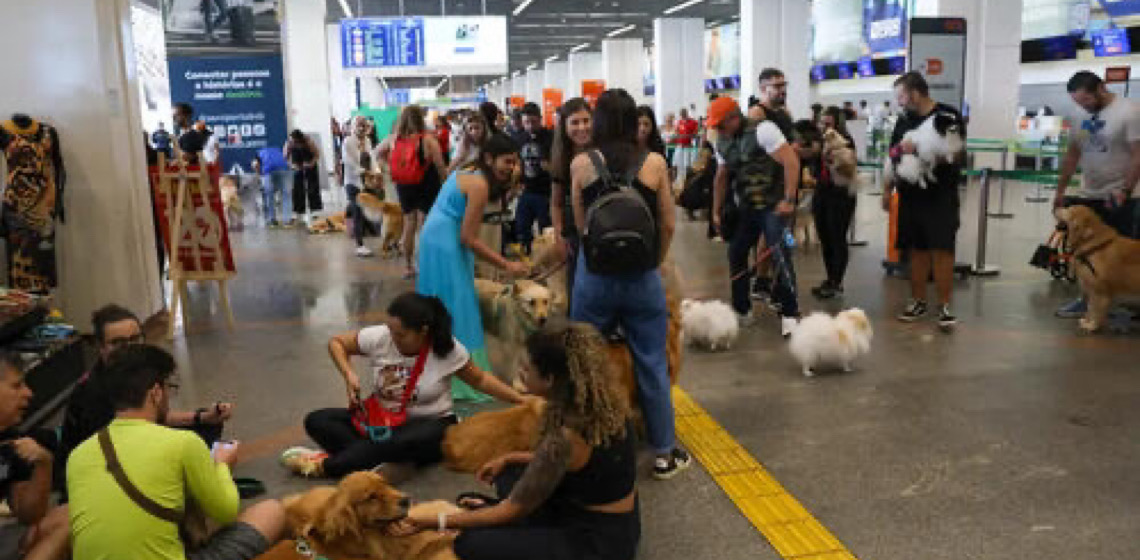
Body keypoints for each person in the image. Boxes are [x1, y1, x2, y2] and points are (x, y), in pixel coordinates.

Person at [399, 321, 640, 560]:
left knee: (469, 544)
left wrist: (434, 521)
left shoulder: (566, 437)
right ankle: (511, 520)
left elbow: (510, 510)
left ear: (550, 379)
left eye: (526, 369)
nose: (520, 374)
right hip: (616, 520)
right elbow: (570, 464)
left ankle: (510, 522)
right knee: (510, 472)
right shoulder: (605, 405)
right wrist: (510, 457)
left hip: (596, 543)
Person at [568, 89, 689, 480]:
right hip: (642, 277)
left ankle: (586, 445)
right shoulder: (653, 162)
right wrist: (653, 260)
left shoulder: (581, 164)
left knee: (585, 362)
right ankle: (663, 453)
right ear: (633, 120)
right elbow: (669, 223)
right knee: (652, 362)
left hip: (594, 278)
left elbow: (581, 225)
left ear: (598, 121)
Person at [68, 345, 284, 560]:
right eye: (169, 387)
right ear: (156, 393)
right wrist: (221, 466)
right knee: (271, 511)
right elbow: (226, 511)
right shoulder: (183, 442)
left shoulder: (78, 456)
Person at [286, 293, 529, 477]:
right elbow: (337, 343)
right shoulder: (383, 335)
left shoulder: (447, 349)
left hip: (430, 424)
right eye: (391, 331)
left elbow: (480, 379)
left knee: (405, 442)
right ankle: (379, 460)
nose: (392, 338)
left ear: (423, 332)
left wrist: (519, 399)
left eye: (400, 335)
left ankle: (329, 465)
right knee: (317, 420)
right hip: (383, 421)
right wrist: (349, 374)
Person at [59, 304, 233, 493]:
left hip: (131, 444)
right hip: (103, 469)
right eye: (117, 343)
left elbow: (154, 415)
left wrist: (202, 417)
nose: (128, 348)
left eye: (135, 339)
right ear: (100, 347)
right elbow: (114, 451)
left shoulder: (138, 370)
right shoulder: (91, 393)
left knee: (207, 428)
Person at [417, 134, 530, 400]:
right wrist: (506, 265)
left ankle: (437, 369)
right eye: (507, 161)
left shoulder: (467, 169)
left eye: (514, 163)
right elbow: (468, 239)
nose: (510, 167)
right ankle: (465, 377)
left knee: (440, 306)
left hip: (433, 238)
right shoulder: (479, 184)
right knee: (460, 308)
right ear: (489, 158)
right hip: (446, 244)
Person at [709, 96, 803, 337]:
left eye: (721, 124)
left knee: (781, 252)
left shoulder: (764, 130)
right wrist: (716, 211)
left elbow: (791, 162)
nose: (718, 130)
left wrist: (790, 199)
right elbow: (721, 176)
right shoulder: (722, 141)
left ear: (734, 117)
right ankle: (741, 309)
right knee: (736, 252)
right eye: (715, 126)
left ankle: (791, 313)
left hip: (775, 206)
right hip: (748, 208)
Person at [882, 72, 967, 329]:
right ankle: (917, 301)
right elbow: (893, 153)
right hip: (910, 195)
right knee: (916, 250)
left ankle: (944, 305)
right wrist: (887, 189)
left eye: (902, 96)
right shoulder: (904, 120)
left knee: (942, 249)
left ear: (915, 93)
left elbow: (958, 154)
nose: (900, 102)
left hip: (941, 194)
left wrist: (924, 153)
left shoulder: (947, 116)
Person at [1054, 70, 1140, 317]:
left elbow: (1137, 155)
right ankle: (1087, 299)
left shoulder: (1130, 112)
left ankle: (1122, 304)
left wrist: (1126, 189)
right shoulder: (1080, 114)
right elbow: (1073, 154)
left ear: (1101, 88)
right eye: (1078, 102)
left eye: (1087, 100)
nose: (1084, 107)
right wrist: (1061, 190)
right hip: (1089, 193)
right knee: (1085, 253)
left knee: (1120, 255)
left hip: (1123, 194)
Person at [0, 352, 70, 560]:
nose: (29, 393)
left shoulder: (11, 440)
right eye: (16, 386)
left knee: (70, 516)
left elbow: (28, 514)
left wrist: (43, 464)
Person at [378, 105, 448, 278]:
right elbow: (440, 165)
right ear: (420, 119)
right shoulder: (428, 140)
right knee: (424, 224)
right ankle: (425, 264)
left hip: (404, 184)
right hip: (427, 183)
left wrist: (389, 169)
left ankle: (408, 266)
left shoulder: (394, 139)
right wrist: (445, 183)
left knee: (409, 224)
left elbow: (377, 152)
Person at [550, 98, 593, 312]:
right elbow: (556, 204)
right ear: (565, 126)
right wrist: (558, 235)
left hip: (600, 231)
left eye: (586, 120)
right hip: (573, 237)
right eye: (575, 122)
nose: (582, 127)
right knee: (577, 293)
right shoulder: (561, 158)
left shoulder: (603, 153)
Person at [811, 108, 858, 299]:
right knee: (825, 239)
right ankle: (830, 278)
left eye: (828, 123)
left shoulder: (845, 142)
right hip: (822, 192)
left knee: (837, 238)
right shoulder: (819, 142)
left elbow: (850, 171)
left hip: (841, 195)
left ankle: (837, 282)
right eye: (822, 123)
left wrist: (834, 161)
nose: (824, 127)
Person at [515, 103, 556, 255]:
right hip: (526, 191)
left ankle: (545, 261)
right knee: (521, 229)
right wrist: (515, 184)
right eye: (526, 122)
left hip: (546, 192)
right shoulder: (519, 138)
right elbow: (516, 164)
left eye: (533, 122)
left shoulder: (551, 138)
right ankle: (527, 261)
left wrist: (550, 167)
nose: (530, 126)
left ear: (540, 119)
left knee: (546, 231)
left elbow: (559, 167)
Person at [342, 116, 375, 257]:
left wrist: (375, 172)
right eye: (359, 125)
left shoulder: (367, 141)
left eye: (364, 125)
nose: (361, 128)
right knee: (357, 211)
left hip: (367, 181)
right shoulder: (348, 141)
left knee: (365, 210)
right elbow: (347, 160)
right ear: (353, 126)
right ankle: (359, 245)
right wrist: (362, 170)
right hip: (352, 182)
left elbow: (372, 158)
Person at [285, 129, 323, 225]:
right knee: (297, 188)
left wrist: (311, 164)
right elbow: (285, 156)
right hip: (297, 165)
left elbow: (317, 154)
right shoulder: (289, 143)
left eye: (295, 141)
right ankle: (298, 211)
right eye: (292, 141)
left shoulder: (308, 141)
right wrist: (291, 165)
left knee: (312, 187)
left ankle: (315, 210)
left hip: (309, 163)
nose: (294, 142)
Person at [254, 144, 293, 228]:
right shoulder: (278, 150)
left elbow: (255, 165)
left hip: (268, 171)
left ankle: (272, 220)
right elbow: (287, 160)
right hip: (283, 170)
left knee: (269, 195)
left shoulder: (259, 153)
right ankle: (287, 221)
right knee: (286, 195)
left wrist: (259, 175)